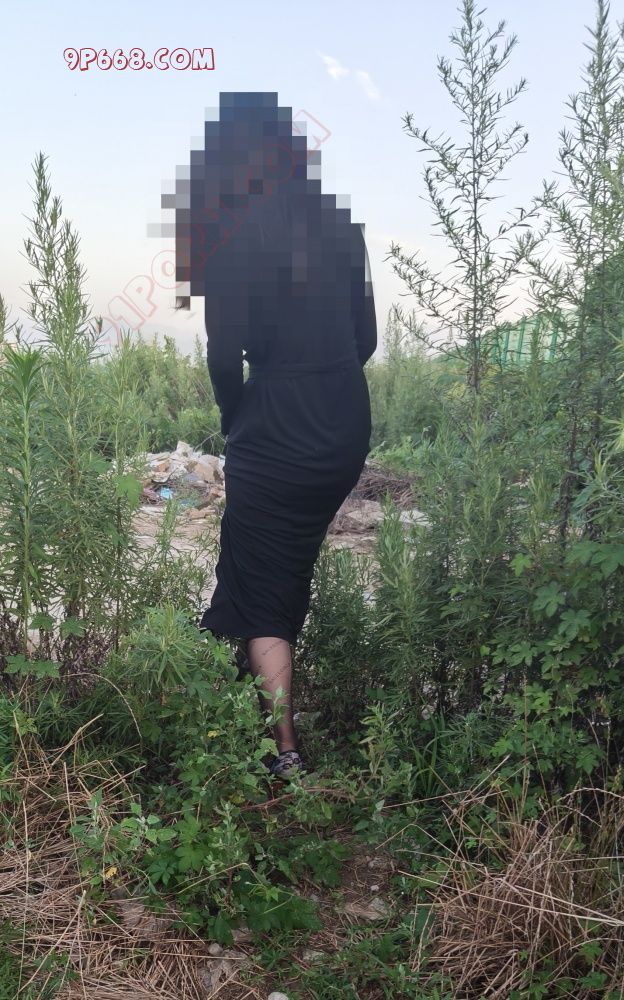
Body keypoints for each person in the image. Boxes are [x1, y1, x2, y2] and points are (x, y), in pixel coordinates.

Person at [170, 92, 377, 779]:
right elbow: (367, 340)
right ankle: (235, 691)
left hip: (276, 422)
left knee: (265, 584)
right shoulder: (342, 226)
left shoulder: (229, 235)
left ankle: (284, 752)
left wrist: (239, 418)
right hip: (342, 422)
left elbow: (222, 357)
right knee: (275, 562)